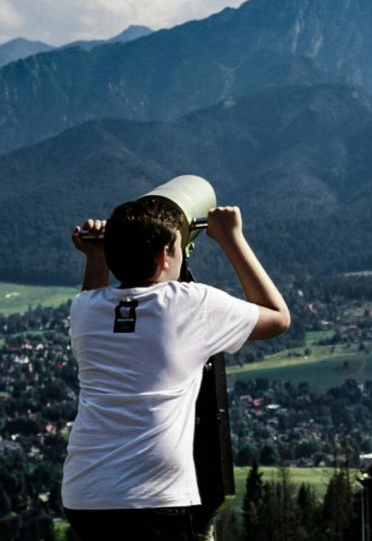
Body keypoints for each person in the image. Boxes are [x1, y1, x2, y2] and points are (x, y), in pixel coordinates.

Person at [61, 197, 291, 540]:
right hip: (153, 497)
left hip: (85, 494)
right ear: (164, 254)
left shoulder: (84, 309)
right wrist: (232, 239)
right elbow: (278, 318)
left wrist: (96, 257)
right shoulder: (190, 304)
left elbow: (96, 298)